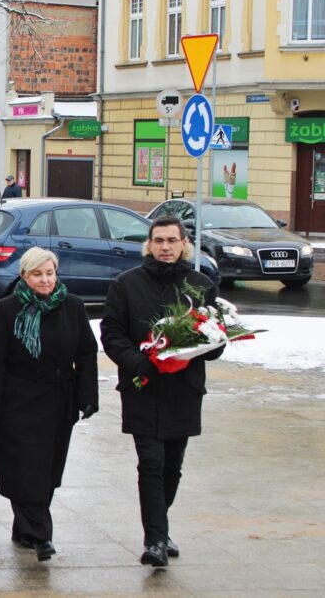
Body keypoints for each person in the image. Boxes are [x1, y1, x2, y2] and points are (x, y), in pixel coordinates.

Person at [100, 216, 224, 568]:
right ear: (149, 245)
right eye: (159, 241)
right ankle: (155, 539)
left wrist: (205, 346)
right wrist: (138, 363)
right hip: (143, 387)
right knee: (150, 464)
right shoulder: (126, 284)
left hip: (184, 389)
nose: (165, 247)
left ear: (184, 244)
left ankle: (160, 526)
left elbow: (216, 339)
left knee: (172, 466)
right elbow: (111, 333)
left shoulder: (200, 285)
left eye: (172, 240)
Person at [0, 247, 98, 562]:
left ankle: (24, 526)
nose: (45, 280)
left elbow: (86, 353)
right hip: (16, 403)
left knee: (47, 471)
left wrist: (87, 397)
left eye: (49, 273)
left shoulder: (72, 307)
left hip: (58, 400)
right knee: (24, 469)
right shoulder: (7, 309)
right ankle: (42, 535)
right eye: (37, 274)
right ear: (24, 276)